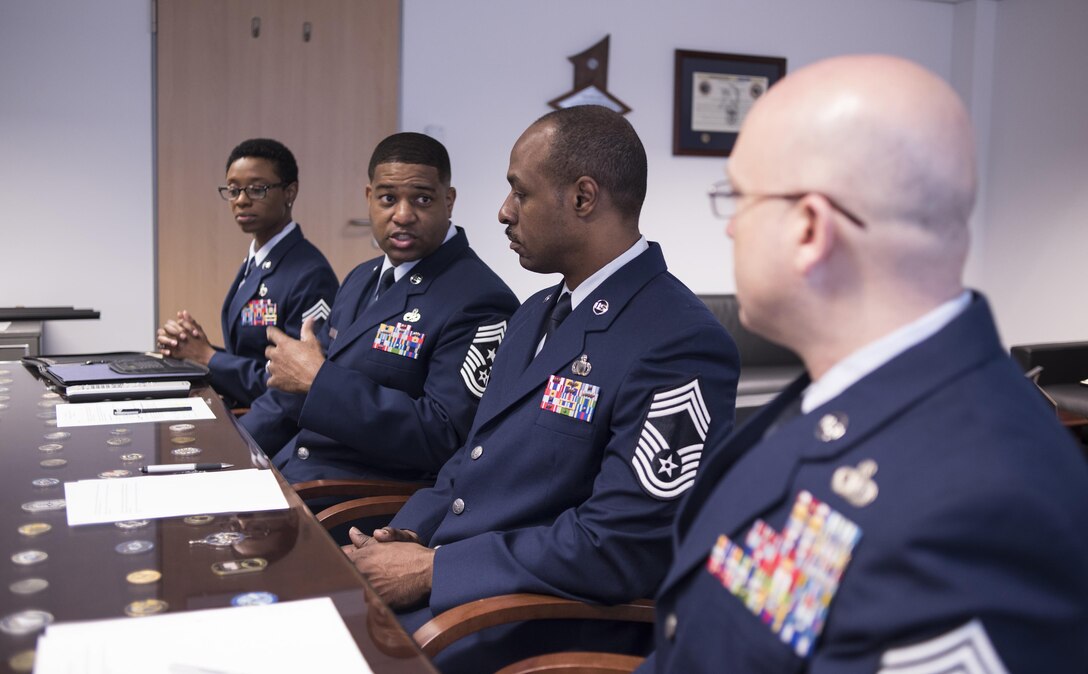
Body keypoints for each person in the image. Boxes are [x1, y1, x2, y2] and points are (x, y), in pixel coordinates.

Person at [640, 55, 1088, 673]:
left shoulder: (988, 507)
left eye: (737, 199)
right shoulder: (841, 389)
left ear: (809, 228)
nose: (730, 229)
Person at [342, 106, 741, 673]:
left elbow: (621, 547)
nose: (503, 213)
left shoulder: (677, 341)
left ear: (583, 198)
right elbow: (471, 461)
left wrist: (433, 570)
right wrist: (403, 532)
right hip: (465, 587)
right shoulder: (533, 315)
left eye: (519, 193)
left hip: (531, 621)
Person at [239, 132, 519, 486]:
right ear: (369, 198)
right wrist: (231, 445)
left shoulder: (480, 299)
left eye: (422, 199)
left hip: (356, 500)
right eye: (388, 198)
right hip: (292, 471)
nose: (403, 215)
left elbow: (444, 436)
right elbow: (295, 393)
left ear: (448, 202)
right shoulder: (361, 278)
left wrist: (320, 380)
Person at [156, 138, 338, 408]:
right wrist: (192, 349)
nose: (241, 200)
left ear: (289, 192)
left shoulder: (310, 274)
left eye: (256, 189)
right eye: (233, 190)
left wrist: (208, 357)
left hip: (282, 428)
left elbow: (296, 382)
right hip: (245, 406)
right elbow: (249, 358)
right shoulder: (257, 260)